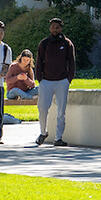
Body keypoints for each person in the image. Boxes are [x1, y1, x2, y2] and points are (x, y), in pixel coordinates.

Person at [35, 18, 75, 146]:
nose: (55, 29)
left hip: (62, 81)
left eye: (57, 27)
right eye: (52, 27)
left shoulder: (67, 43)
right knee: (42, 108)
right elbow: (39, 61)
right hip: (46, 81)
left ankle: (58, 138)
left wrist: (69, 79)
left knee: (61, 111)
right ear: (50, 28)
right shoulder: (44, 43)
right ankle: (43, 133)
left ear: (61, 28)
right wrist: (40, 78)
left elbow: (71, 62)